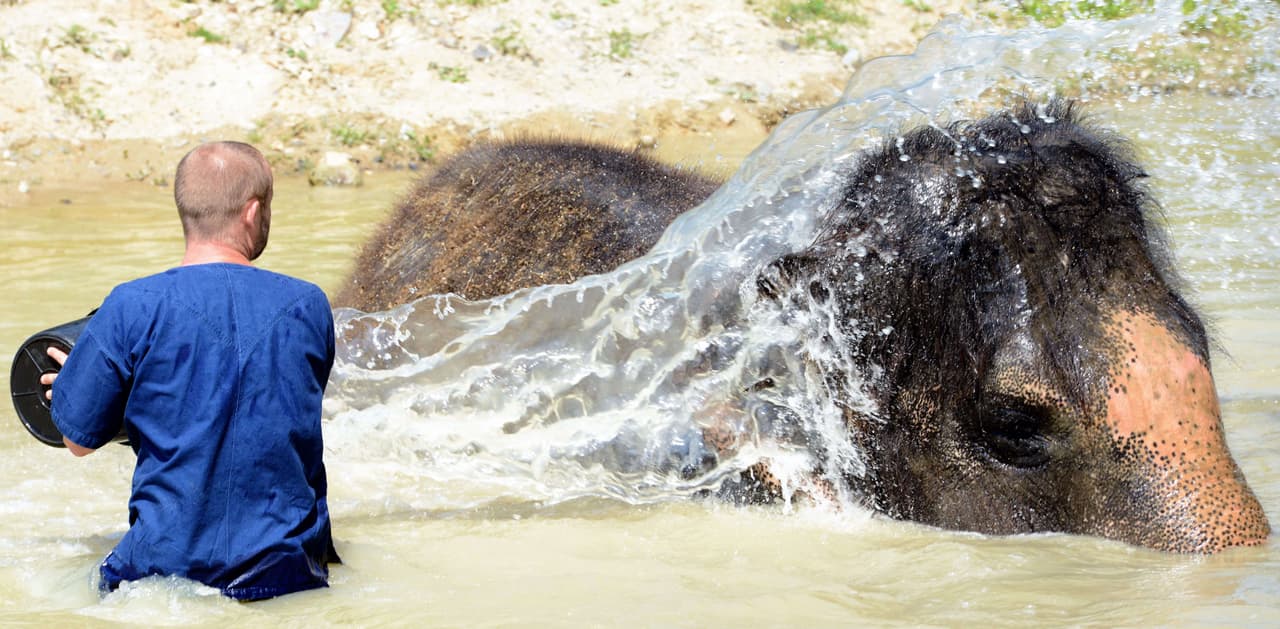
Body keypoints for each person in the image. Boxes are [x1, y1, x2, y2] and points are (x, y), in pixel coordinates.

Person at [41, 141, 339, 601]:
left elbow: (78, 442)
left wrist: (75, 385)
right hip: (291, 572)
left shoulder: (131, 304)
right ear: (252, 211)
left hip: (161, 578)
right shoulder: (309, 304)